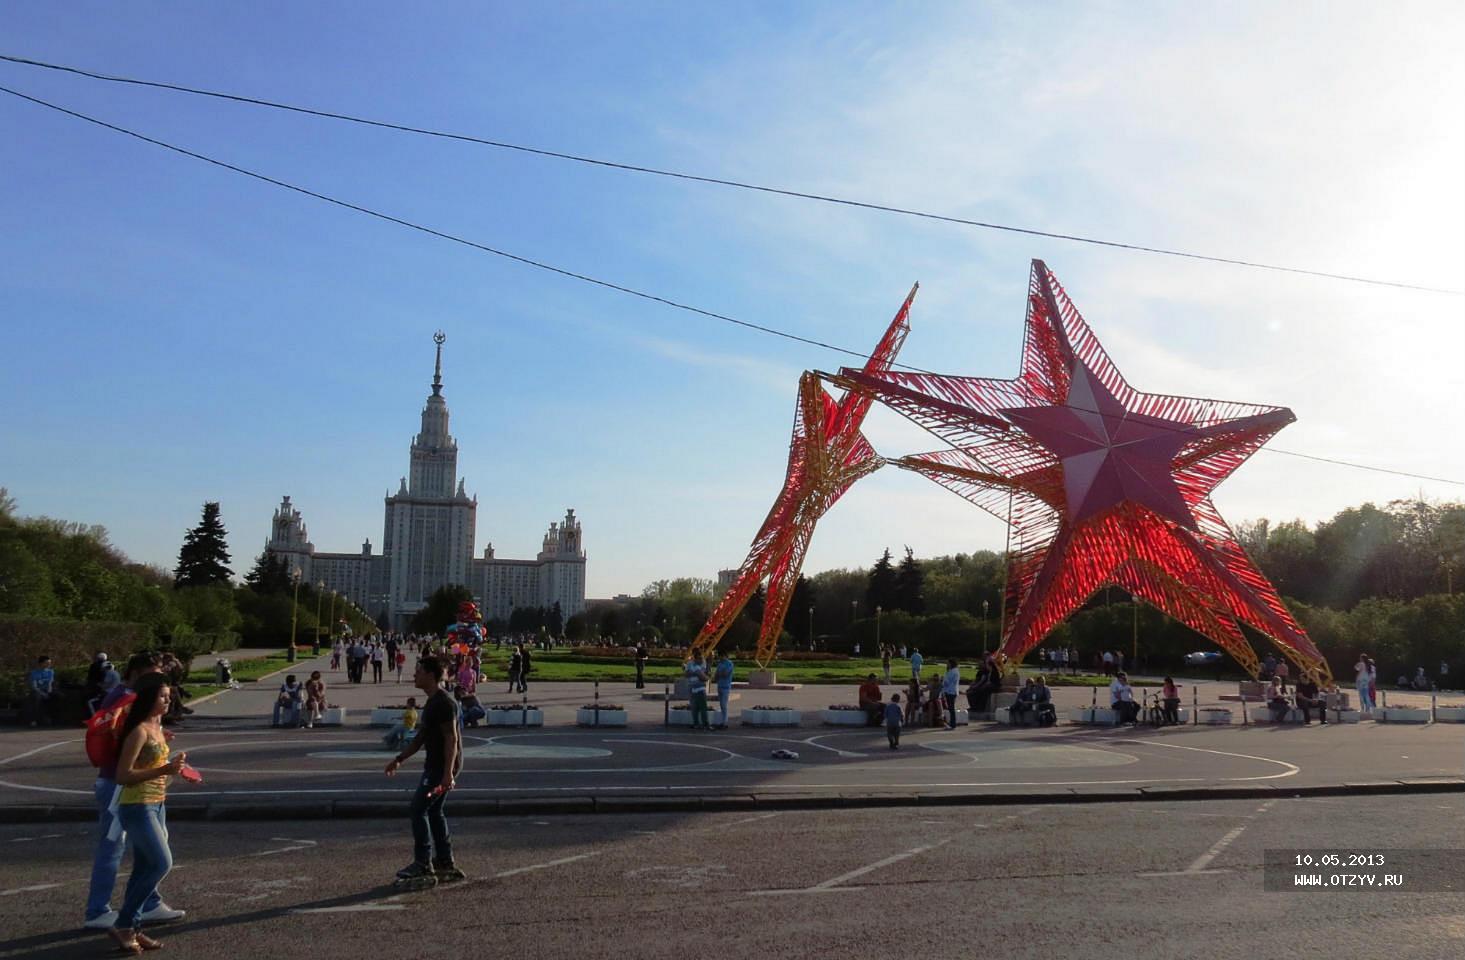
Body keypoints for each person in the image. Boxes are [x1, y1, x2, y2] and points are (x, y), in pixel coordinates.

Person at [83, 652, 186, 932]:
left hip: (145, 788)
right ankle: (98, 910)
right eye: (152, 674)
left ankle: (149, 903)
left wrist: (157, 740)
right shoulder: (122, 698)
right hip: (121, 786)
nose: (158, 680)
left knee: (147, 852)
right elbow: (119, 740)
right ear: (137, 673)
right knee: (113, 848)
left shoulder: (136, 697)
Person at [106, 672, 196, 954]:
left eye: (169, 696)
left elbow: (156, 766)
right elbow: (122, 775)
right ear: (147, 699)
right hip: (137, 805)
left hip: (157, 803)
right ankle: (123, 924)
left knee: (144, 868)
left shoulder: (157, 728)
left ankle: (131, 927)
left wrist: (177, 769)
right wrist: (165, 769)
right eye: (162, 696)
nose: (168, 701)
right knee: (161, 863)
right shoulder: (139, 731)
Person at [384, 656, 463, 886]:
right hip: (437, 766)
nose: (414, 675)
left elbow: (452, 739)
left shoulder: (444, 703)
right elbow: (421, 737)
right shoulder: (432, 702)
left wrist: (448, 774)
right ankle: (445, 861)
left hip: (441, 768)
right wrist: (399, 759)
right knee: (434, 811)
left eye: (418, 671)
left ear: (430, 674)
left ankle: (423, 863)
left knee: (418, 809)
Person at [28, 654, 57, 727]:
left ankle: (52, 718)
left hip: (46, 690)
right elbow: (34, 686)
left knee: (57, 696)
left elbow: (50, 684)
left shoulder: (50, 671)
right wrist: (43, 694)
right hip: (37, 691)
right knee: (36, 698)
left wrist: (49, 692)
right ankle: (34, 720)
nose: (49, 664)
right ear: (41, 663)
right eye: (47, 663)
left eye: (49, 663)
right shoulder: (34, 673)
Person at [685, 654, 711, 730]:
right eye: (700, 659)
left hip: (693, 690)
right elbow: (703, 678)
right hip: (700, 689)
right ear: (696, 659)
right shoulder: (696, 668)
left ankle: (696, 723)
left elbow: (686, 674)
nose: (702, 661)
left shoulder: (691, 666)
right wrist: (708, 677)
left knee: (695, 708)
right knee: (703, 708)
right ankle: (705, 724)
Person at [713, 652, 735, 729]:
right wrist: (718, 674)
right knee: (721, 705)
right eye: (720, 656)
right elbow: (716, 675)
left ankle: (725, 722)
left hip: (726, 686)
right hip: (720, 685)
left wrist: (719, 673)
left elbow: (725, 674)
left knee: (723, 704)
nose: (721, 658)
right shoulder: (720, 664)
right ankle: (722, 721)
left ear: (726, 656)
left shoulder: (729, 664)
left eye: (722, 656)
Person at [941, 658, 961, 730]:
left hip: (951, 691)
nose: (947, 664)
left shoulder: (953, 671)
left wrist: (943, 679)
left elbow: (947, 682)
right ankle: (952, 723)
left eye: (948, 663)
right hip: (950, 691)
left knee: (951, 708)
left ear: (951, 663)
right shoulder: (953, 671)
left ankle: (953, 724)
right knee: (950, 708)